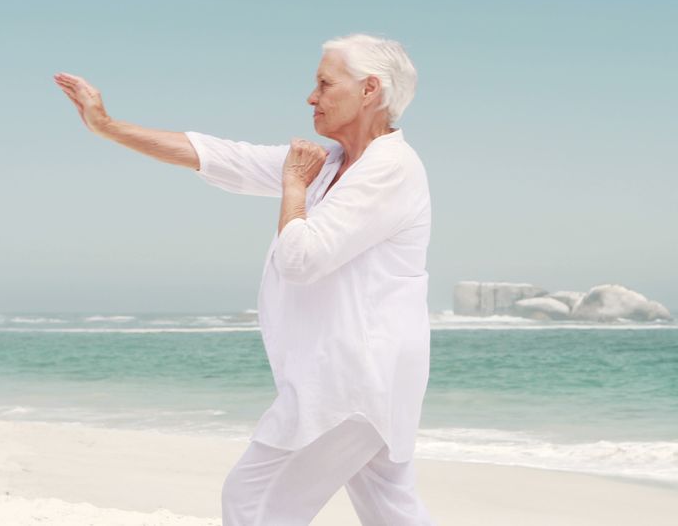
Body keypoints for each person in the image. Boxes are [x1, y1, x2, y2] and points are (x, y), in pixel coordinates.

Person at [54, 33, 434, 525]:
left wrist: (293, 186)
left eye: (323, 83)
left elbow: (300, 259)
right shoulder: (334, 164)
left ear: (369, 90)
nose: (311, 96)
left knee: (252, 501)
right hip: (368, 385)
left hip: (351, 386)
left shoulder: (388, 168)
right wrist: (107, 127)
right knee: (392, 513)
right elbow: (217, 156)